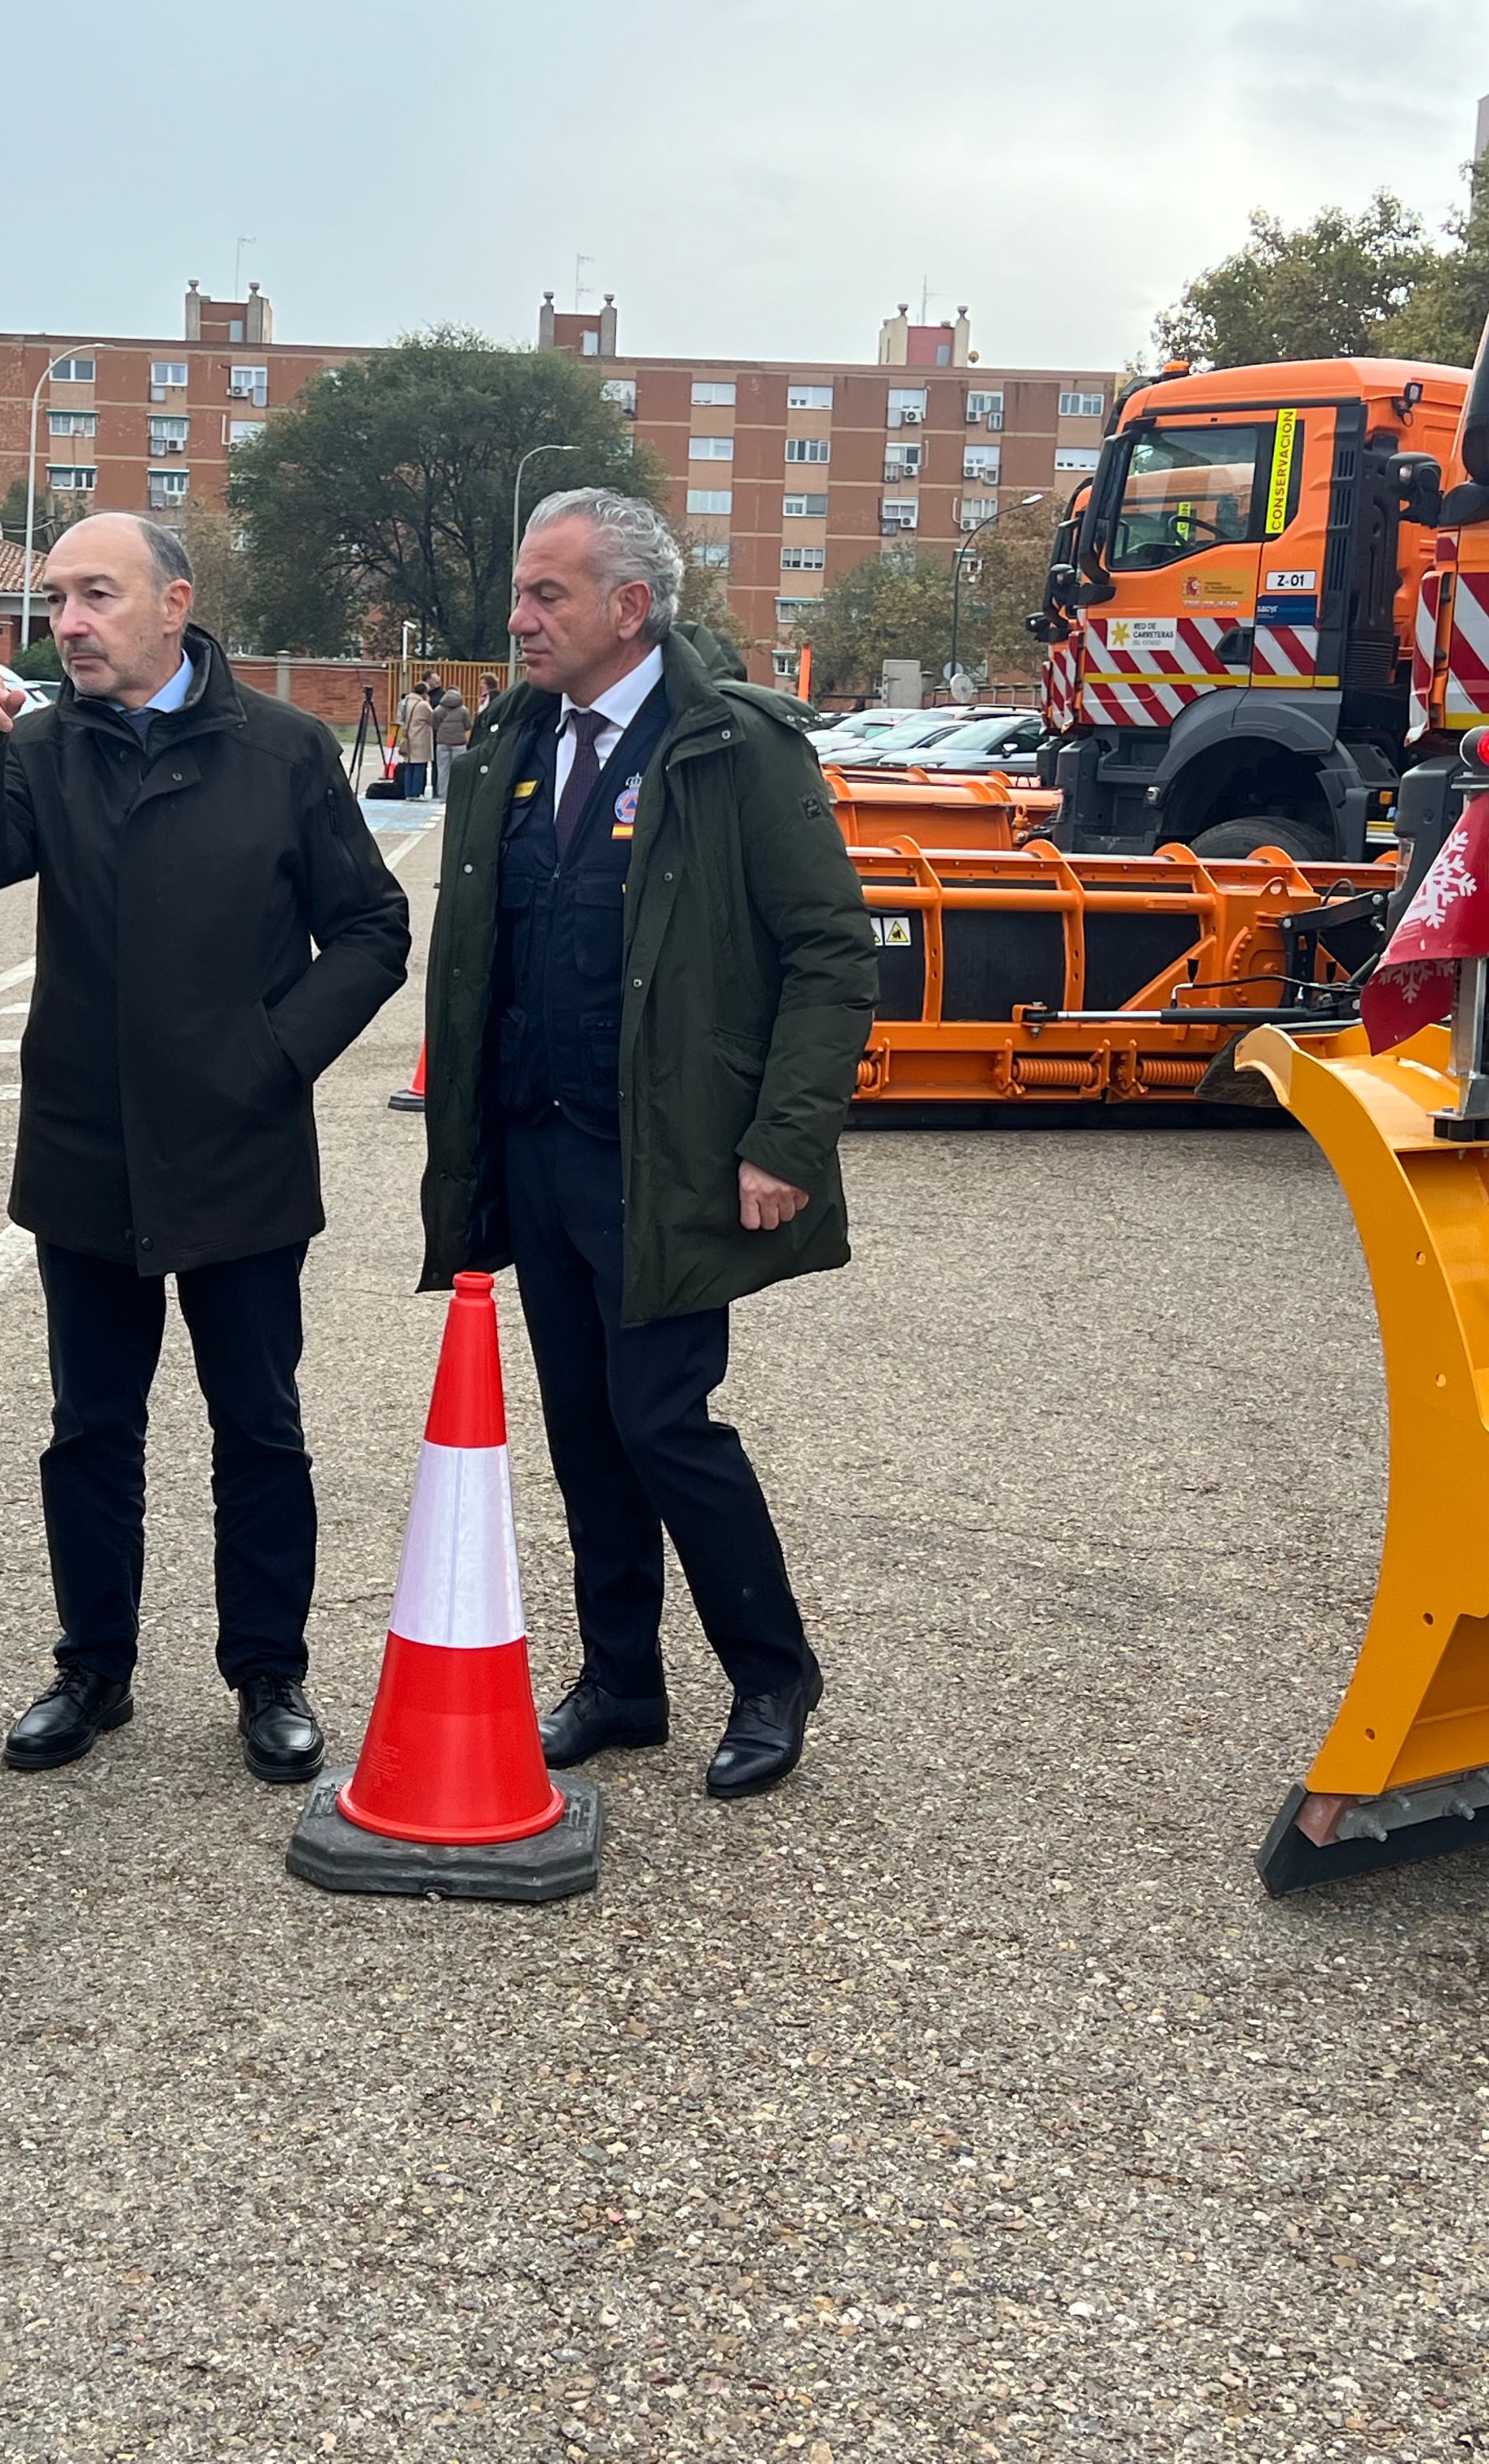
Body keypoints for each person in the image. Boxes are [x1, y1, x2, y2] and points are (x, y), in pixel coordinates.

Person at [0, 513, 408, 1784]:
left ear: (173, 604)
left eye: (96, 595)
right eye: (57, 599)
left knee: (259, 1423)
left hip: (239, 1153)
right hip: (85, 1153)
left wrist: (273, 1053)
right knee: (91, 1426)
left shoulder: (283, 752)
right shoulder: (40, 747)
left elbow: (370, 927)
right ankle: (93, 1666)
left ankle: (269, 1671)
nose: (68, 622)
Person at [414, 488, 874, 1799]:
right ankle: (621, 1680)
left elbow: (832, 954)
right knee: (580, 1426)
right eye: (519, 592)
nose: (518, 620)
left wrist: (785, 1139)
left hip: (667, 1159)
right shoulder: (513, 742)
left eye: (547, 594)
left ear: (632, 606)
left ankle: (771, 1674)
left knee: (661, 1418)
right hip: (540, 1146)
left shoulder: (730, 747)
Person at [396, 675, 436, 799]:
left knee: (410, 766)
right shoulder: (423, 705)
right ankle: (417, 793)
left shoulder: (406, 701)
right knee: (420, 766)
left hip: (408, 736)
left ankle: (409, 793)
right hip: (420, 737)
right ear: (424, 693)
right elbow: (433, 719)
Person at [433, 679, 471, 798]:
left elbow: (434, 724)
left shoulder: (439, 709)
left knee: (443, 770)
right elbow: (468, 726)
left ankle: (443, 795)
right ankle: (457, 795)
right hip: (459, 743)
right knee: (459, 770)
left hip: (442, 742)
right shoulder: (464, 710)